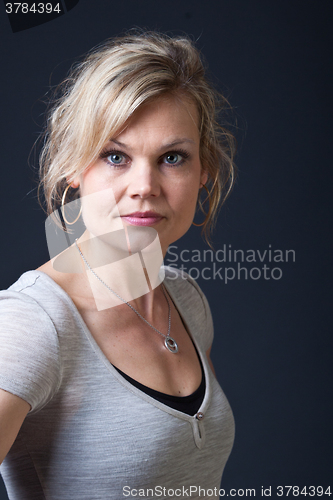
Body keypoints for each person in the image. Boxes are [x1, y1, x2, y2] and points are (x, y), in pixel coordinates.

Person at [0, 32, 236, 499]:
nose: (144, 185)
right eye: (115, 156)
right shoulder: (33, 323)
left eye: (172, 158)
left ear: (203, 170)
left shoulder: (185, 299)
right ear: (75, 165)